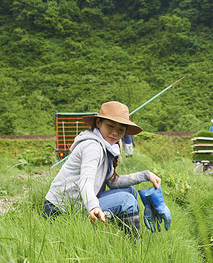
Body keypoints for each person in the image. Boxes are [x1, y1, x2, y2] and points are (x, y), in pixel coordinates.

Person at [42, 101, 167, 237]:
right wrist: (93, 206)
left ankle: (119, 236)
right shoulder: (93, 147)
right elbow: (85, 181)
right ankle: (136, 247)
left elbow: (112, 181)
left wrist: (146, 175)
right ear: (98, 123)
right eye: (110, 126)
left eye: (120, 129)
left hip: (79, 201)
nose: (114, 133)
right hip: (61, 209)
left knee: (130, 192)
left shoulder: (107, 146)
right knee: (127, 201)